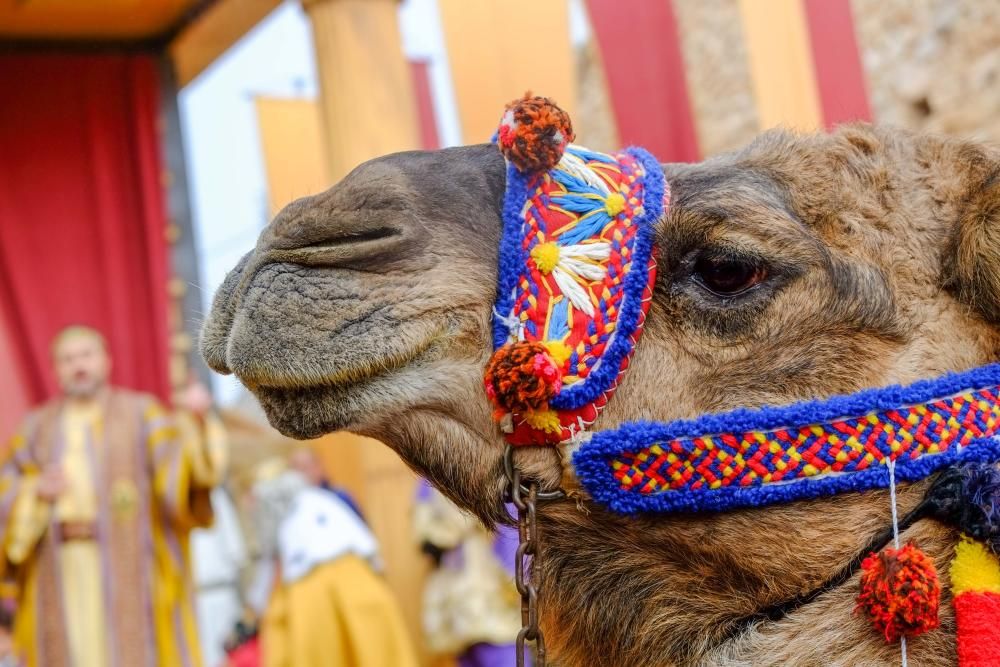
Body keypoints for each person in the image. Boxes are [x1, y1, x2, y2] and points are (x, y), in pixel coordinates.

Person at [0, 325, 226, 667]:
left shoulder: (142, 414)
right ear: (56, 369)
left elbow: (181, 480)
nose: (79, 365)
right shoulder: (35, 428)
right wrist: (34, 492)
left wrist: (195, 423)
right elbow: (6, 489)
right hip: (57, 569)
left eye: (86, 355)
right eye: (68, 359)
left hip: (131, 564)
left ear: (106, 361)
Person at [253, 456, 418, 667]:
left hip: (310, 589)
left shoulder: (322, 502)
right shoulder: (326, 501)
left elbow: (272, 571)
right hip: (356, 579)